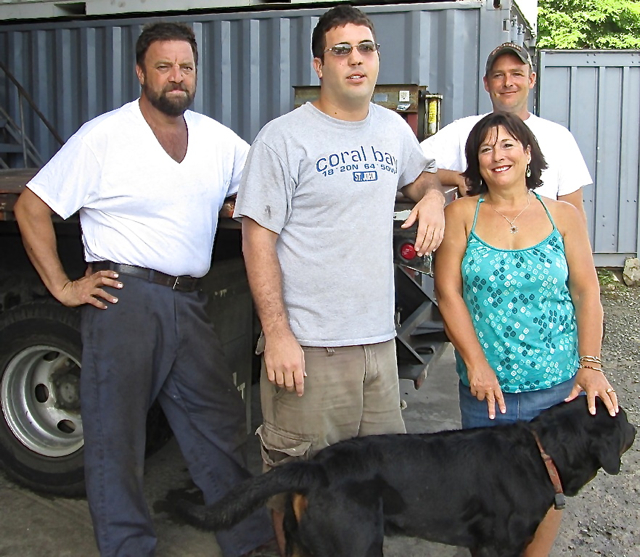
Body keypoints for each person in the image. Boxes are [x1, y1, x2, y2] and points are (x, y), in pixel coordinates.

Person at [13, 22, 276, 557]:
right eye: (164, 66)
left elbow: (263, 182)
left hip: (188, 301)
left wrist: (237, 201)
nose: (177, 77)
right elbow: (31, 206)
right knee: (116, 438)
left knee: (221, 426)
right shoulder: (104, 136)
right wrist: (63, 287)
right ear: (140, 72)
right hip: (124, 302)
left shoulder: (217, 140)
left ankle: (249, 544)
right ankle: (128, 548)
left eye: (186, 67)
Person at [233, 5, 446, 552]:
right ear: (319, 64)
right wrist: (277, 334)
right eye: (342, 50)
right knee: (297, 494)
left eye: (366, 49)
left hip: (378, 347)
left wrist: (436, 199)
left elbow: (420, 177)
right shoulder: (283, 138)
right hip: (308, 353)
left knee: (373, 490)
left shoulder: (391, 129)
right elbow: (258, 239)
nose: (357, 60)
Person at [434, 111, 618, 556]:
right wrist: (477, 365)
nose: (497, 155)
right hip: (486, 392)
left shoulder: (564, 216)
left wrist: (590, 366)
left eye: (507, 145)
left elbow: (586, 290)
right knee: (487, 504)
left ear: (528, 152)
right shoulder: (459, 214)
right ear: (475, 163)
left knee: (549, 488)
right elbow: (448, 294)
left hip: (555, 390)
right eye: (485, 148)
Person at [422, 42, 591, 216]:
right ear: (486, 83)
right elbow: (410, 165)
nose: (508, 83)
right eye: (498, 75)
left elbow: (574, 214)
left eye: (516, 74)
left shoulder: (559, 137)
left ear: (531, 79)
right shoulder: (461, 131)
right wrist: (455, 178)